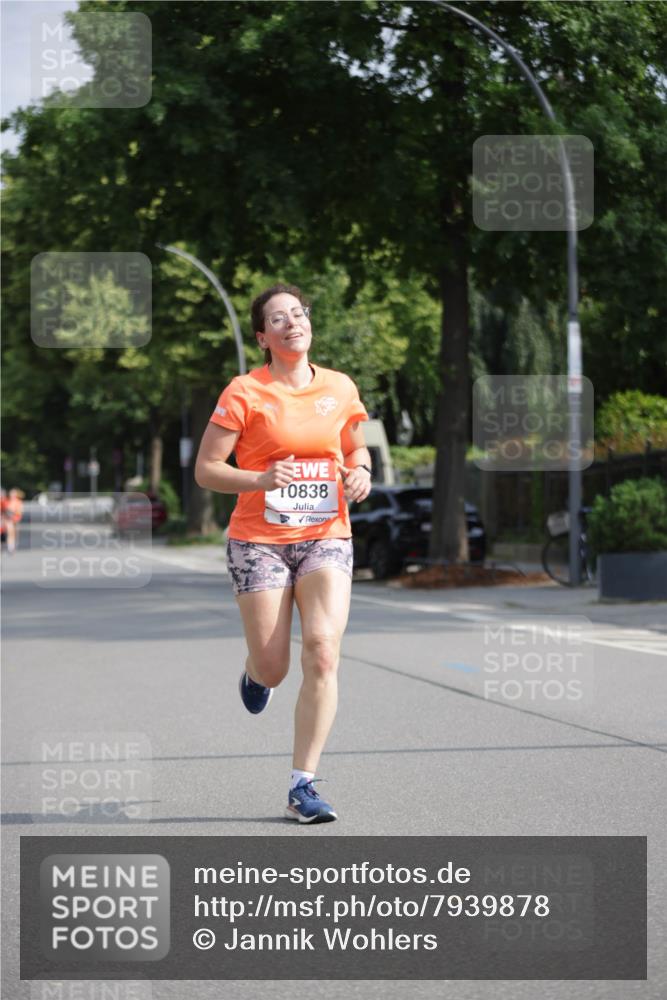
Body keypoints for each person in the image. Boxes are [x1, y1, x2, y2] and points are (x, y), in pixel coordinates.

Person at [195, 283, 372, 824]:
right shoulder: (244, 391)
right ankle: (255, 673)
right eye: (279, 319)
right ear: (263, 337)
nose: (292, 323)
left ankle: (303, 784)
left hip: (326, 535)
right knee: (275, 668)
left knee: (321, 649)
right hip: (258, 542)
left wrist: (361, 469)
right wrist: (261, 477)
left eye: (299, 313)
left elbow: (354, 444)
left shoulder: (340, 387)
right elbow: (207, 469)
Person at [3, 488, 24, 554]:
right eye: (11, 493)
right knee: (10, 533)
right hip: (9, 519)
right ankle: (10, 547)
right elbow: (4, 510)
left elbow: (20, 511)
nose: (12, 495)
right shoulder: (8, 501)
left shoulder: (19, 502)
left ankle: (13, 546)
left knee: (14, 533)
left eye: (14, 493)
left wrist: (14, 514)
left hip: (16, 519)